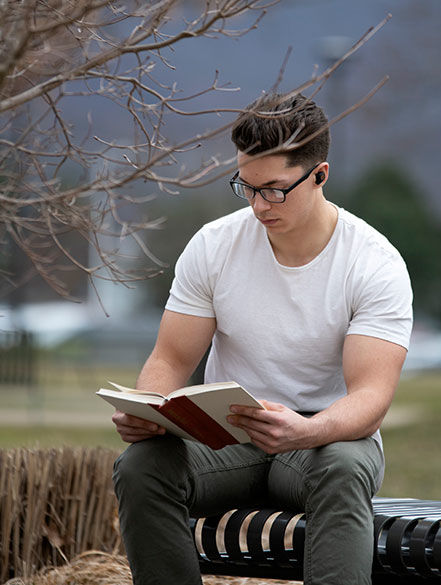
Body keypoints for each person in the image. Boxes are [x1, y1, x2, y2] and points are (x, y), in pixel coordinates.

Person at [111, 92, 413, 585]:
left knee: (342, 469)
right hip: (228, 436)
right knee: (141, 465)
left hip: (325, 439)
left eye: (273, 189)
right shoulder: (214, 245)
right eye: (245, 187)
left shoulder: (374, 263)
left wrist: (307, 431)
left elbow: (372, 397)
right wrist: (148, 407)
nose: (257, 205)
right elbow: (169, 358)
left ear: (319, 175)